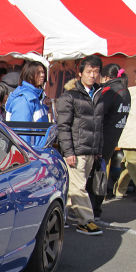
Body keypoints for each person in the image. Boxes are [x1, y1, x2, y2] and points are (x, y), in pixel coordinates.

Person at [55, 55, 105, 235]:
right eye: (89, 71)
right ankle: (86, 220)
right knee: (78, 187)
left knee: (75, 185)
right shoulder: (70, 96)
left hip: (91, 149)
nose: (92, 75)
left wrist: (98, 149)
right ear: (80, 73)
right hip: (76, 149)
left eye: (96, 72)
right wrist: (68, 151)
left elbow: (99, 124)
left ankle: (64, 215)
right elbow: (63, 126)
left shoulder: (99, 94)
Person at [95, 64, 131, 211]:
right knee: (101, 173)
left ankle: (94, 208)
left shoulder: (110, 91)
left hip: (102, 139)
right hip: (112, 138)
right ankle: (97, 207)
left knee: (96, 176)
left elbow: (98, 115)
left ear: (106, 77)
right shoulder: (125, 91)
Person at [5, 62, 50, 147]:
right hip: (30, 153)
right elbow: (21, 132)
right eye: (38, 72)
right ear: (29, 75)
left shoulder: (36, 97)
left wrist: (45, 107)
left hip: (38, 152)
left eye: (43, 72)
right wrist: (27, 153)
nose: (42, 75)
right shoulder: (24, 99)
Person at [113, 78, 136, 198]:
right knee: (132, 165)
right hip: (131, 136)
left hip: (130, 136)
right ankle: (119, 190)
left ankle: (120, 190)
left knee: (129, 166)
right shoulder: (129, 93)